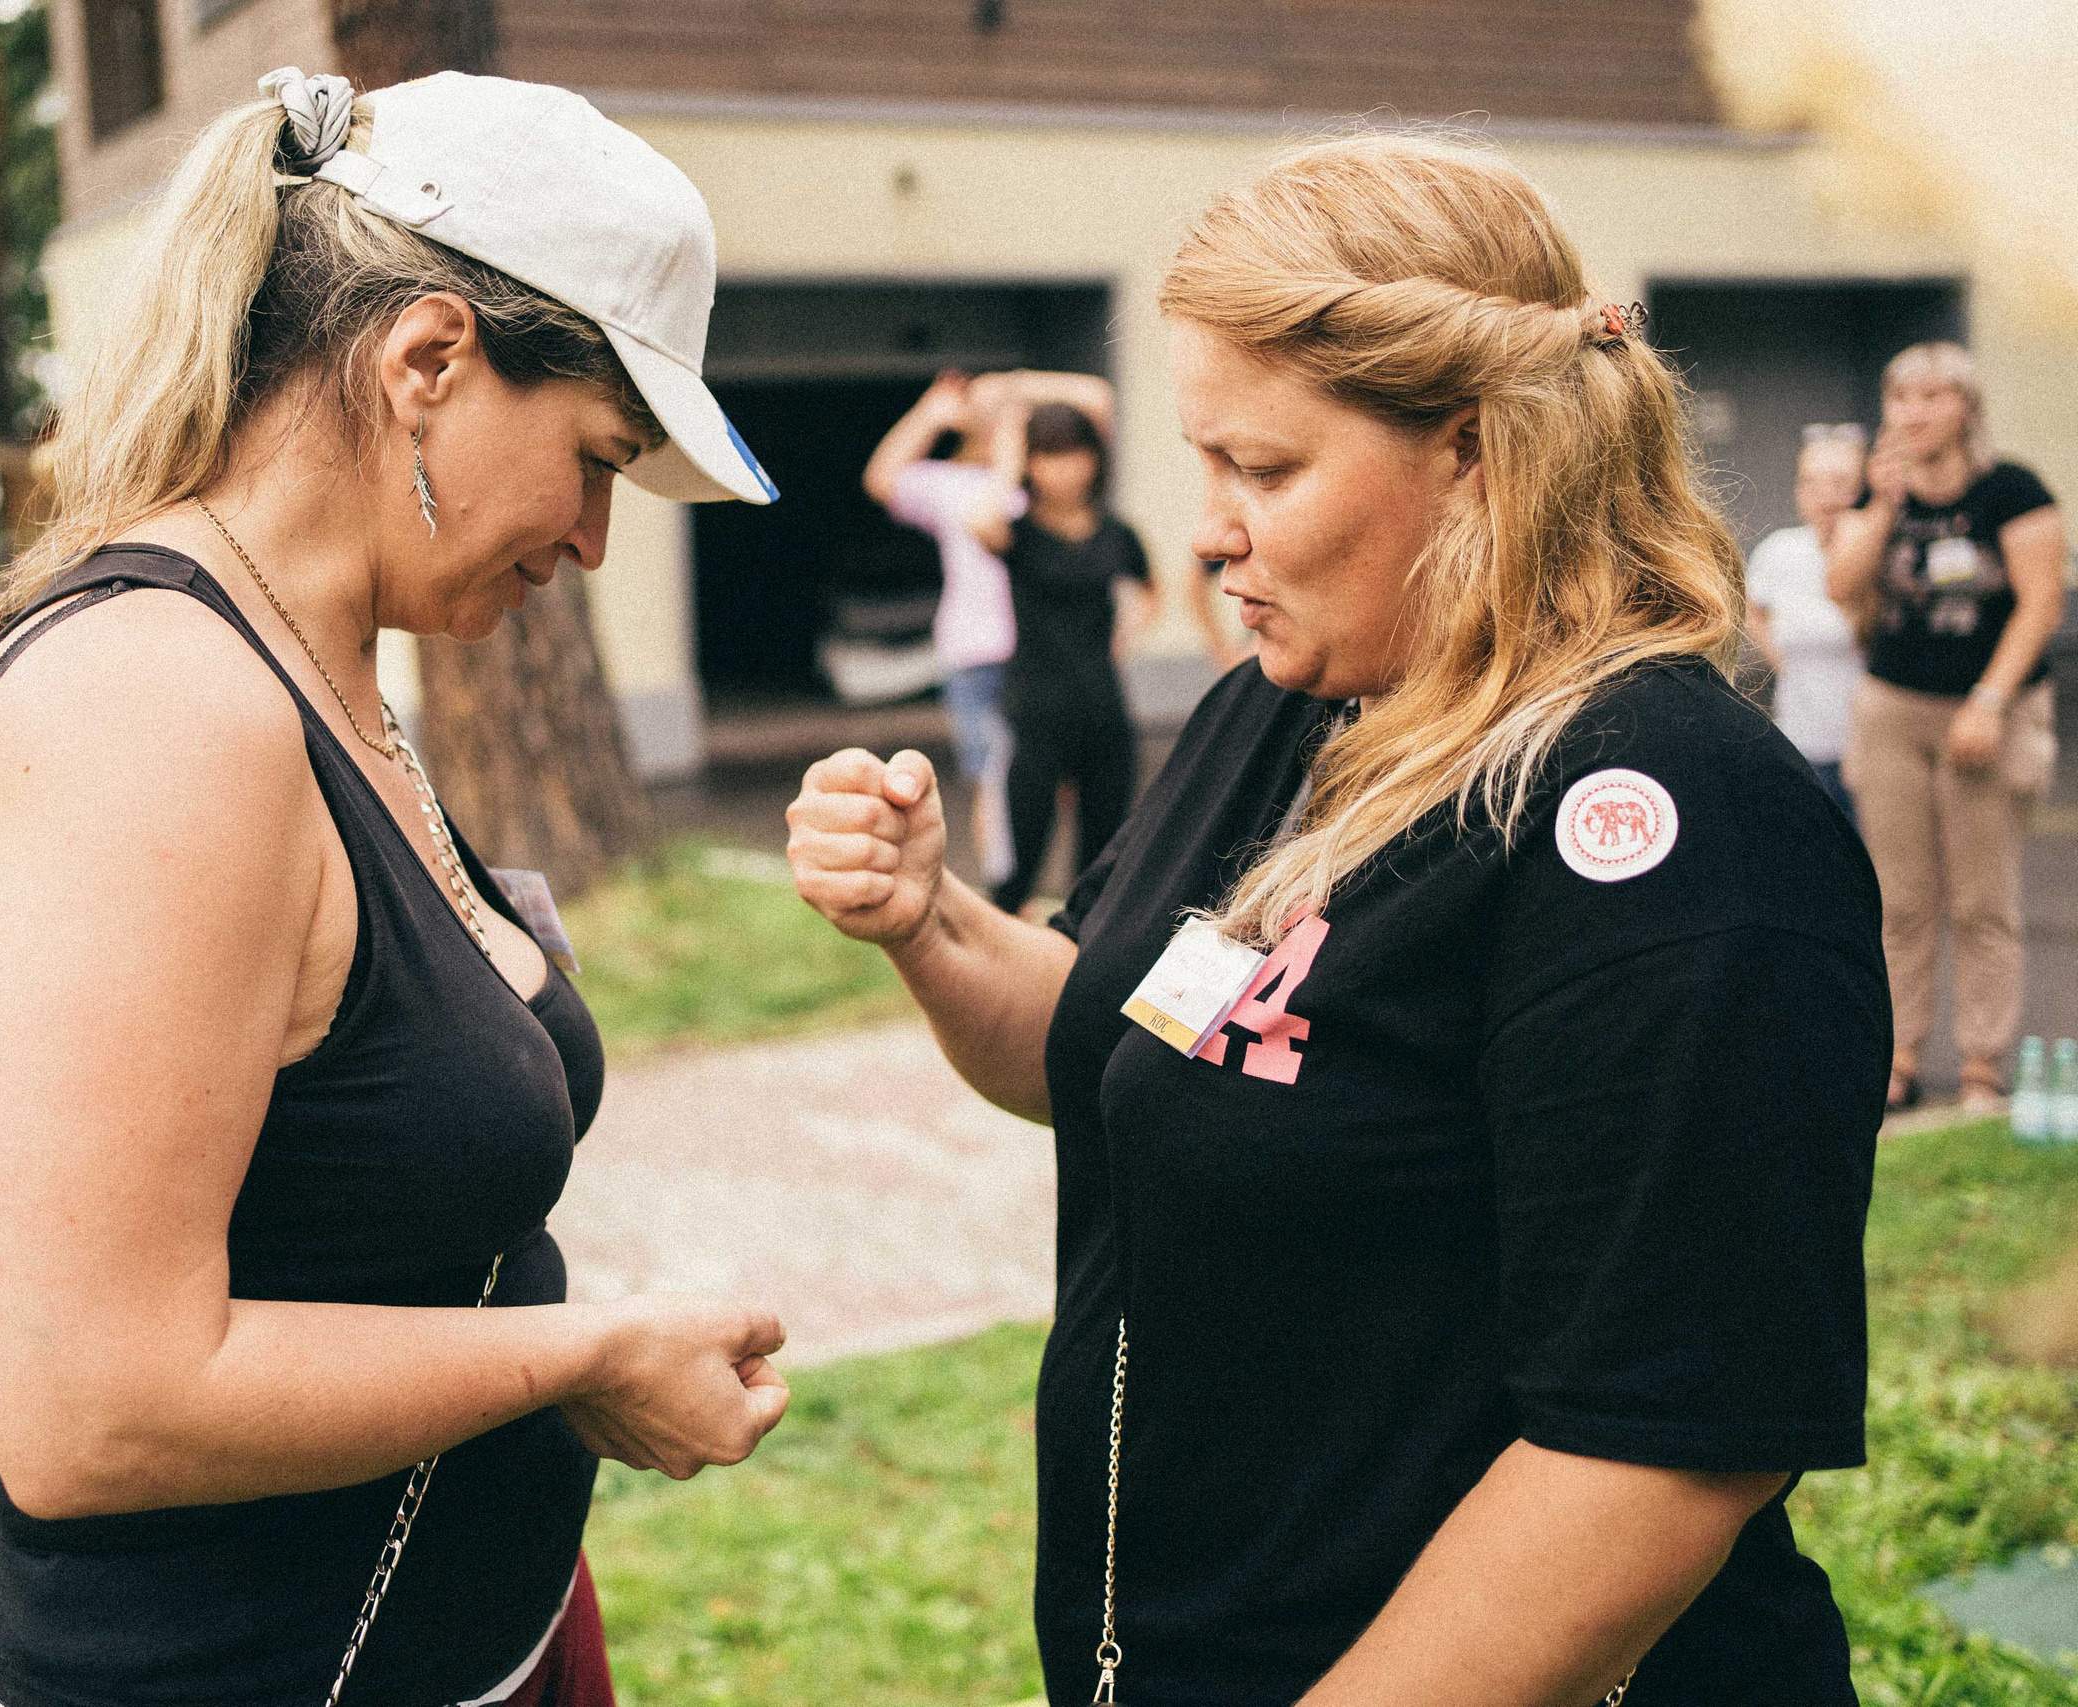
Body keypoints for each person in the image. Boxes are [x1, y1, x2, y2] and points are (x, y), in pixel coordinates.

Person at [789, 133, 1883, 1706]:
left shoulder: (1663, 813)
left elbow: (1653, 1457)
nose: (1213, 531)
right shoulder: (1281, 708)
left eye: (1266, 469)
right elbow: (1111, 1040)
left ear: (1476, 452)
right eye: (1204, 463)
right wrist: (929, 918)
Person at [0, 69, 790, 1707]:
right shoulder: (159, 708)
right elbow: (96, 1406)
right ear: (427, 359)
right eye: (596, 456)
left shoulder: (328, 664)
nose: (597, 537)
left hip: (472, 1631)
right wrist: (584, 1353)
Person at [1828, 341, 2065, 1115]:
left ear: (1966, 406)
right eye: (1901, 399)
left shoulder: (2012, 489)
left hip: (1988, 711)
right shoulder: (1885, 488)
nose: (1914, 413)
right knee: (1899, 899)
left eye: (1931, 398)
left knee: (1981, 898)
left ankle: (1981, 1066)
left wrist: (1990, 702)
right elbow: (1841, 585)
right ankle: (1897, 1058)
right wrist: (1883, 506)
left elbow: (2040, 603)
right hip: (1895, 708)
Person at [865, 368, 1115, 884]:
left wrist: (1012, 384)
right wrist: (929, 414)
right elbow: (881, 479)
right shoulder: (954, 485)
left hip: (1057, 654)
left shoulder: (1050, 486)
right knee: (998, 780)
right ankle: (1008, 891)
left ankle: (1057, 888)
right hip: (979, 654)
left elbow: (1099, 398)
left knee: (1068, 782)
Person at [961, 400, 1156, 913]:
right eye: (1047, 455)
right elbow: (981, 523)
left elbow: (1148, 588)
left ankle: (1079, 972)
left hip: (1103, 712)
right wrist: (1007, 461)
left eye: (1073, 453)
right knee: (1017, 869)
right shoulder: (1018, 533)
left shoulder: (1115, 532)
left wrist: (1126, 638)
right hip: (1034, 713)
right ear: (1030, 463)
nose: (1063, 468)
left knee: (1102, 866)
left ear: (1094, 458)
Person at [1745, 423, 1869, 821]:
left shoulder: (1879, 549)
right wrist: (1784, 663)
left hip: (1870, 746)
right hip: (1802, 740)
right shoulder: (1780, 550)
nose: (1825, 495)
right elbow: (1752, 609)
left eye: (1839, 482)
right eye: (1811, 482)